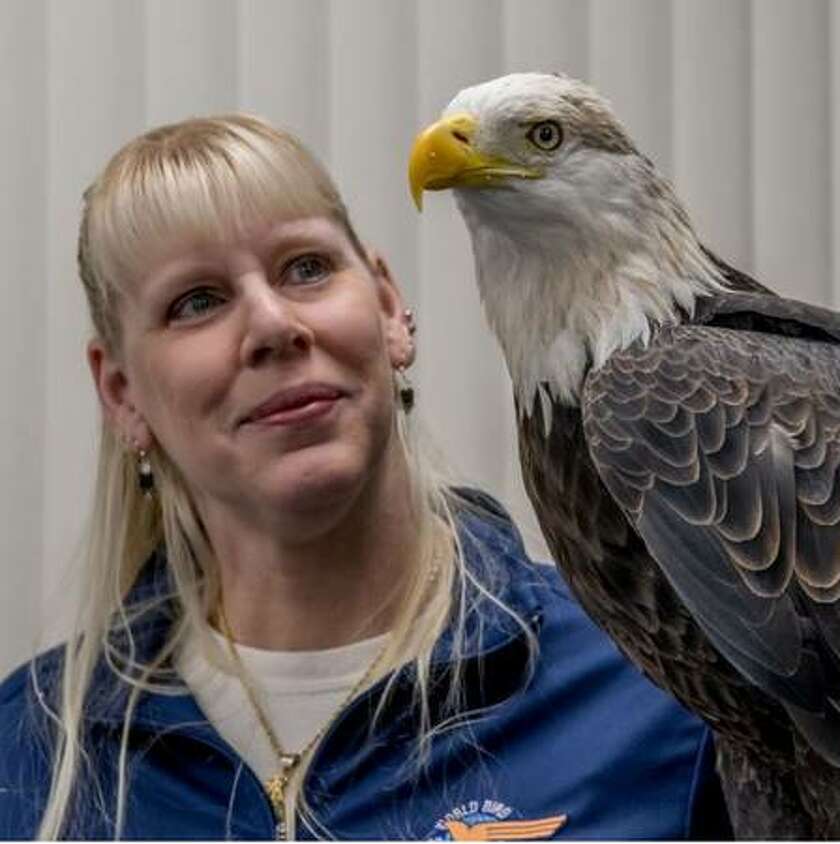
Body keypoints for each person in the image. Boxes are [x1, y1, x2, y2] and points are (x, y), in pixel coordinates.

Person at [0, 114, 731, 840]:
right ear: (123, 393)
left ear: (386, 306)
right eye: (197, 302)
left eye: (306, 268)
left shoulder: (664, 698)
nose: (274, 324)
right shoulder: (25, 754)